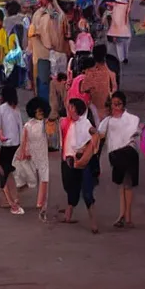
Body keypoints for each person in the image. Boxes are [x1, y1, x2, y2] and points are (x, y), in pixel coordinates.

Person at [99, 91, 140, 229]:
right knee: (122, 185)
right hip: (115, 155)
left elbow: (134, 132)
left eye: (119, 104)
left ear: (123, 104)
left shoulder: (131, 119)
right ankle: (124, 216)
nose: (116, 107)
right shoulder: (108, 121)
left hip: (128, 152)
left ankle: (126, 216)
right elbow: (99, 134)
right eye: (114, 104)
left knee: (127, 184)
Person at [60, 97, 99, 233]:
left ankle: (94, 223)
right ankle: (68, 215)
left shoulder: (85, 123)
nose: (69, 109)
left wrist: (87, 146)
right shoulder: (67, 122)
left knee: (87, 192)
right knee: (71, 189)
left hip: (83, 162)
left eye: (71, 107)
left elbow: (93, 133)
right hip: (69, 160)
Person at [29, 0, 66, 103]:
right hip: (39, 53)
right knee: (41, 82)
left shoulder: (53, 14)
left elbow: (55, 28)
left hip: (50, 53)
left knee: (49, 82)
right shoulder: (39, 13)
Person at [0, 84, 24, 215]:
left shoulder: (0, 110)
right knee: (9, 170)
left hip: (5, 145)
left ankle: (8, 200)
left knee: (3, 171)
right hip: (15, 144)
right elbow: (21, 128)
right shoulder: (16, 110)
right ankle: (12, 197)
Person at [17, 97, 51, 220]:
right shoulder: (28, 125)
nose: (40, 114)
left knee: (44, 180)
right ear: (33, 112)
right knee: (31, 180)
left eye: (42, 112)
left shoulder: (45, 124)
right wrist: (23, 152)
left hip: (43, 156)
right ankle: (18, 192)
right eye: (38, 112)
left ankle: (42, 207)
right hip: (31, 156)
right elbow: (23, 140)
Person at [81, 43, 117, 121]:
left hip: (95, 113)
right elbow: (114, 88)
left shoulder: (91, 73)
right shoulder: (111, 72)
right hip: (109, 112)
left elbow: (83, 88)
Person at [107, 0, 133, 64]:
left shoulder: (114, 3)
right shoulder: (126, 2)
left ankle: (122, 58)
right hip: (126, 29)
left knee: (119, 45)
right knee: (125, 44)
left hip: (117, 30)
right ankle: (125, 57)